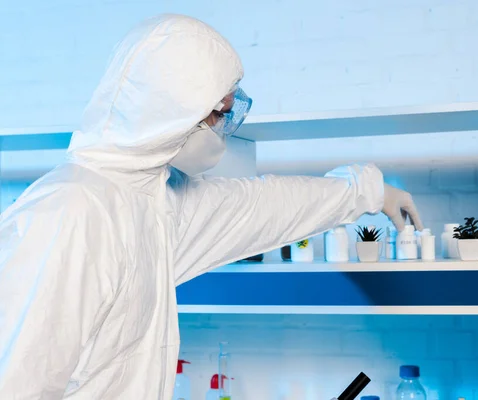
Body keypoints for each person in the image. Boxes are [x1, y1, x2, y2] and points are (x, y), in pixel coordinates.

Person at [0, 14, 423, 399]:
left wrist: (369, 192)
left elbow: (261, 206)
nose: (222, 128)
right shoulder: (73, 214)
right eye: (217, 114)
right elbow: (18, 383)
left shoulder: (153, 201)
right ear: (168, 113)